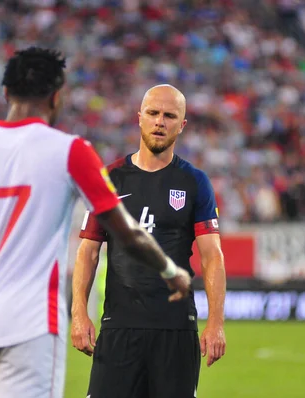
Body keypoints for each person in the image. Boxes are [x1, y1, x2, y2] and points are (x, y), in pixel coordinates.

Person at [0, 48, 191, 398]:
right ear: (56, 97)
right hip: (31, 324)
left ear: (6, 92)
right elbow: (126, 231)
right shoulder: (69, 151)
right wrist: (168, 269)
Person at [71, 84, 226, 398]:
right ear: (139, 117)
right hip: (119, 325)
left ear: (181, 125)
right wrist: (79, 314)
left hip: (177, 327)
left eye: (170, 116)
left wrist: (216, 322)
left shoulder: (195, 182)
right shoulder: (110, 179)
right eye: (153, 113)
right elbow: (88, 251)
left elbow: (212, 256)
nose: (160, 121)